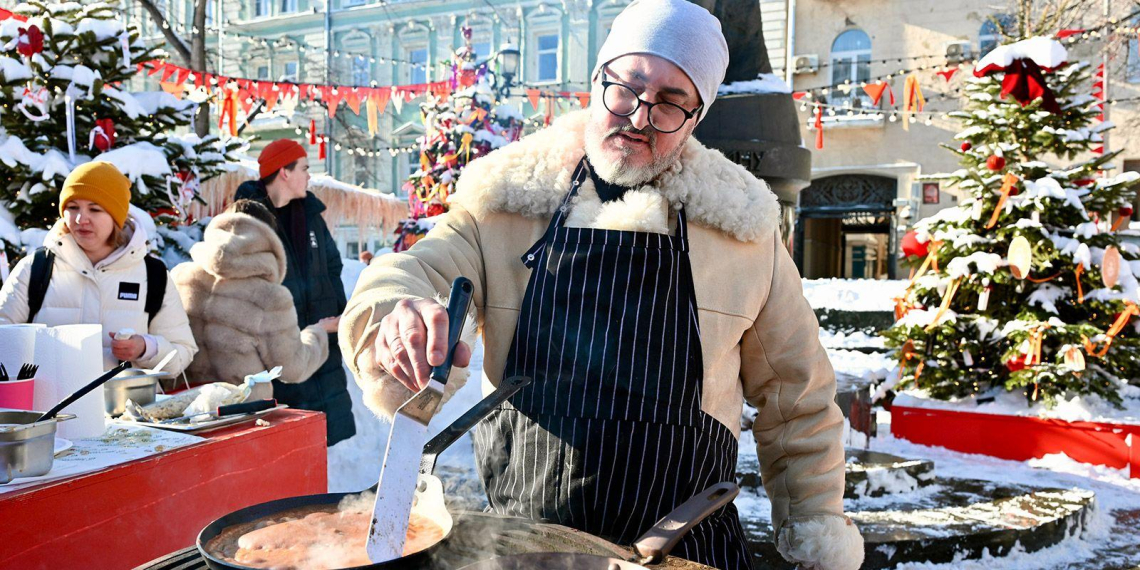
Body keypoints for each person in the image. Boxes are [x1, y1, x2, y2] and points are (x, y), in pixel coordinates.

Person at [341, 0, 863, 568]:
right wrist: (397, 313)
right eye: (627, 87)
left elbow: (799, 396)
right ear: (597, 81)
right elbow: (412, 269)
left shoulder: (741, 228)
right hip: (524, 545)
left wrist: (814, 527)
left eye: (670, 102)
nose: (639, 116)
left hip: (686, 546)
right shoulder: (502, 201)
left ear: (695, 119)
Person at [0, 161, 197, 374]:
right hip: (49, 406)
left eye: (94, 209)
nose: (80, 219)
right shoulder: (36, 268)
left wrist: (145, 348)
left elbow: (181, 355)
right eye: (72, 207)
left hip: (126, 406)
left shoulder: (153, 275)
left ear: (116, 217)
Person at [234, 140, 355, 446]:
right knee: (285, 444)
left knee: (323, 438)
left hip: (321, 341)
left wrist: (337, 315)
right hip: (278, 351)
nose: (309, 176)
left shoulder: (311, 215)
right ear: (283, 173)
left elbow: (331, 265)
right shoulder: (249, 219)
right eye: (304, 168)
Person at [171, 199, 339, 396]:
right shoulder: (270, 297)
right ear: (268, 240)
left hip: (183, 408)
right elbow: (292, 368)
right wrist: (317, 332)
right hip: (240, 412)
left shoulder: (181, 276)